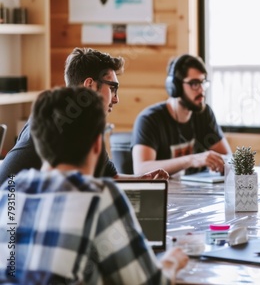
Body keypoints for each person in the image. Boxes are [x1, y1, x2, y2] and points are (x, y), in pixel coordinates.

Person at [0, 87, 188, 283]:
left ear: (39, 142)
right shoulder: (99, 197)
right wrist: (170, 262)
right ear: (98, 144)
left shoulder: (8, 193)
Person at [0, 47, 167, 185]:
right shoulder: (69, 120)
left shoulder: (73, 115)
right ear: (90, 85)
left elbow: (110, 177)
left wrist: (145, 180)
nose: (116, 99)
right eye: (113, 88)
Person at [132, 54, 231, 176]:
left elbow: (227, 158)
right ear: (175, 87)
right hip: (166, 193)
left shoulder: (204, 113)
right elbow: (141, 169)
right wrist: (191, 160)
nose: (201, 90)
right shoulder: (149, 120)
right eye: (194, 84)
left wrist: (220, 163)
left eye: (203, 82)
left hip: (197, 192)